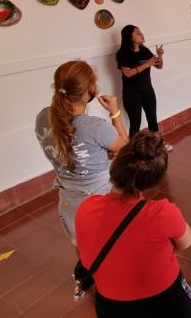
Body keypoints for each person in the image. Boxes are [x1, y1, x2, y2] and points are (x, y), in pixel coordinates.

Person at [75, 131, 191, 317]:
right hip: (165, 299)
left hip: (112, 304)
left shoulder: (86, 208)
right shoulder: (163, 213)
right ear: (154, 180)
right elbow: (186, 242)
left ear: (116, 164)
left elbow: (85, 254)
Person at [35, 60, 129, 244]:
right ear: (90, 91)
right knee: (110, 244)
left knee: (83, 244)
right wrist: (115, 112)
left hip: (69, 202)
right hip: (100, 200)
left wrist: (99, 151)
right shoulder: (95, 127)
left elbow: (70, 144)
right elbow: (125, 147)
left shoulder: (42, 117)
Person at [116, 25, 171, 151]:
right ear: (129, 37)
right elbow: (128, 73)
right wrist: (147, 64)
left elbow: (159, 66)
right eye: (137, 33)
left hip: (147, 91)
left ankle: (159, 146)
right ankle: (134, 151)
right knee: (135, 124)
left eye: (140, 31)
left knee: (153, 120)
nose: (141, 34)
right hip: (132, 94)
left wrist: (160, 55)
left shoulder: (144, 50)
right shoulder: (122, 53)